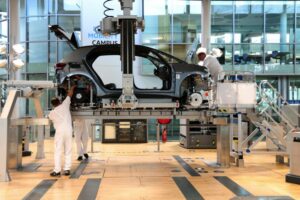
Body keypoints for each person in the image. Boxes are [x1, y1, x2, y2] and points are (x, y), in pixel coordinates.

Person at [48, 86, 75, 177]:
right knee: (68, 150)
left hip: (59, 132)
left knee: (58, 151)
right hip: (68, 130)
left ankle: (57, 170)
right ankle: (67, 169)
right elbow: (70, 94)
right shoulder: (65, 105)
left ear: (53, 105)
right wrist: (73, 86)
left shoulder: (52, 113)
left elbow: (49, 119)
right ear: (59, 102)